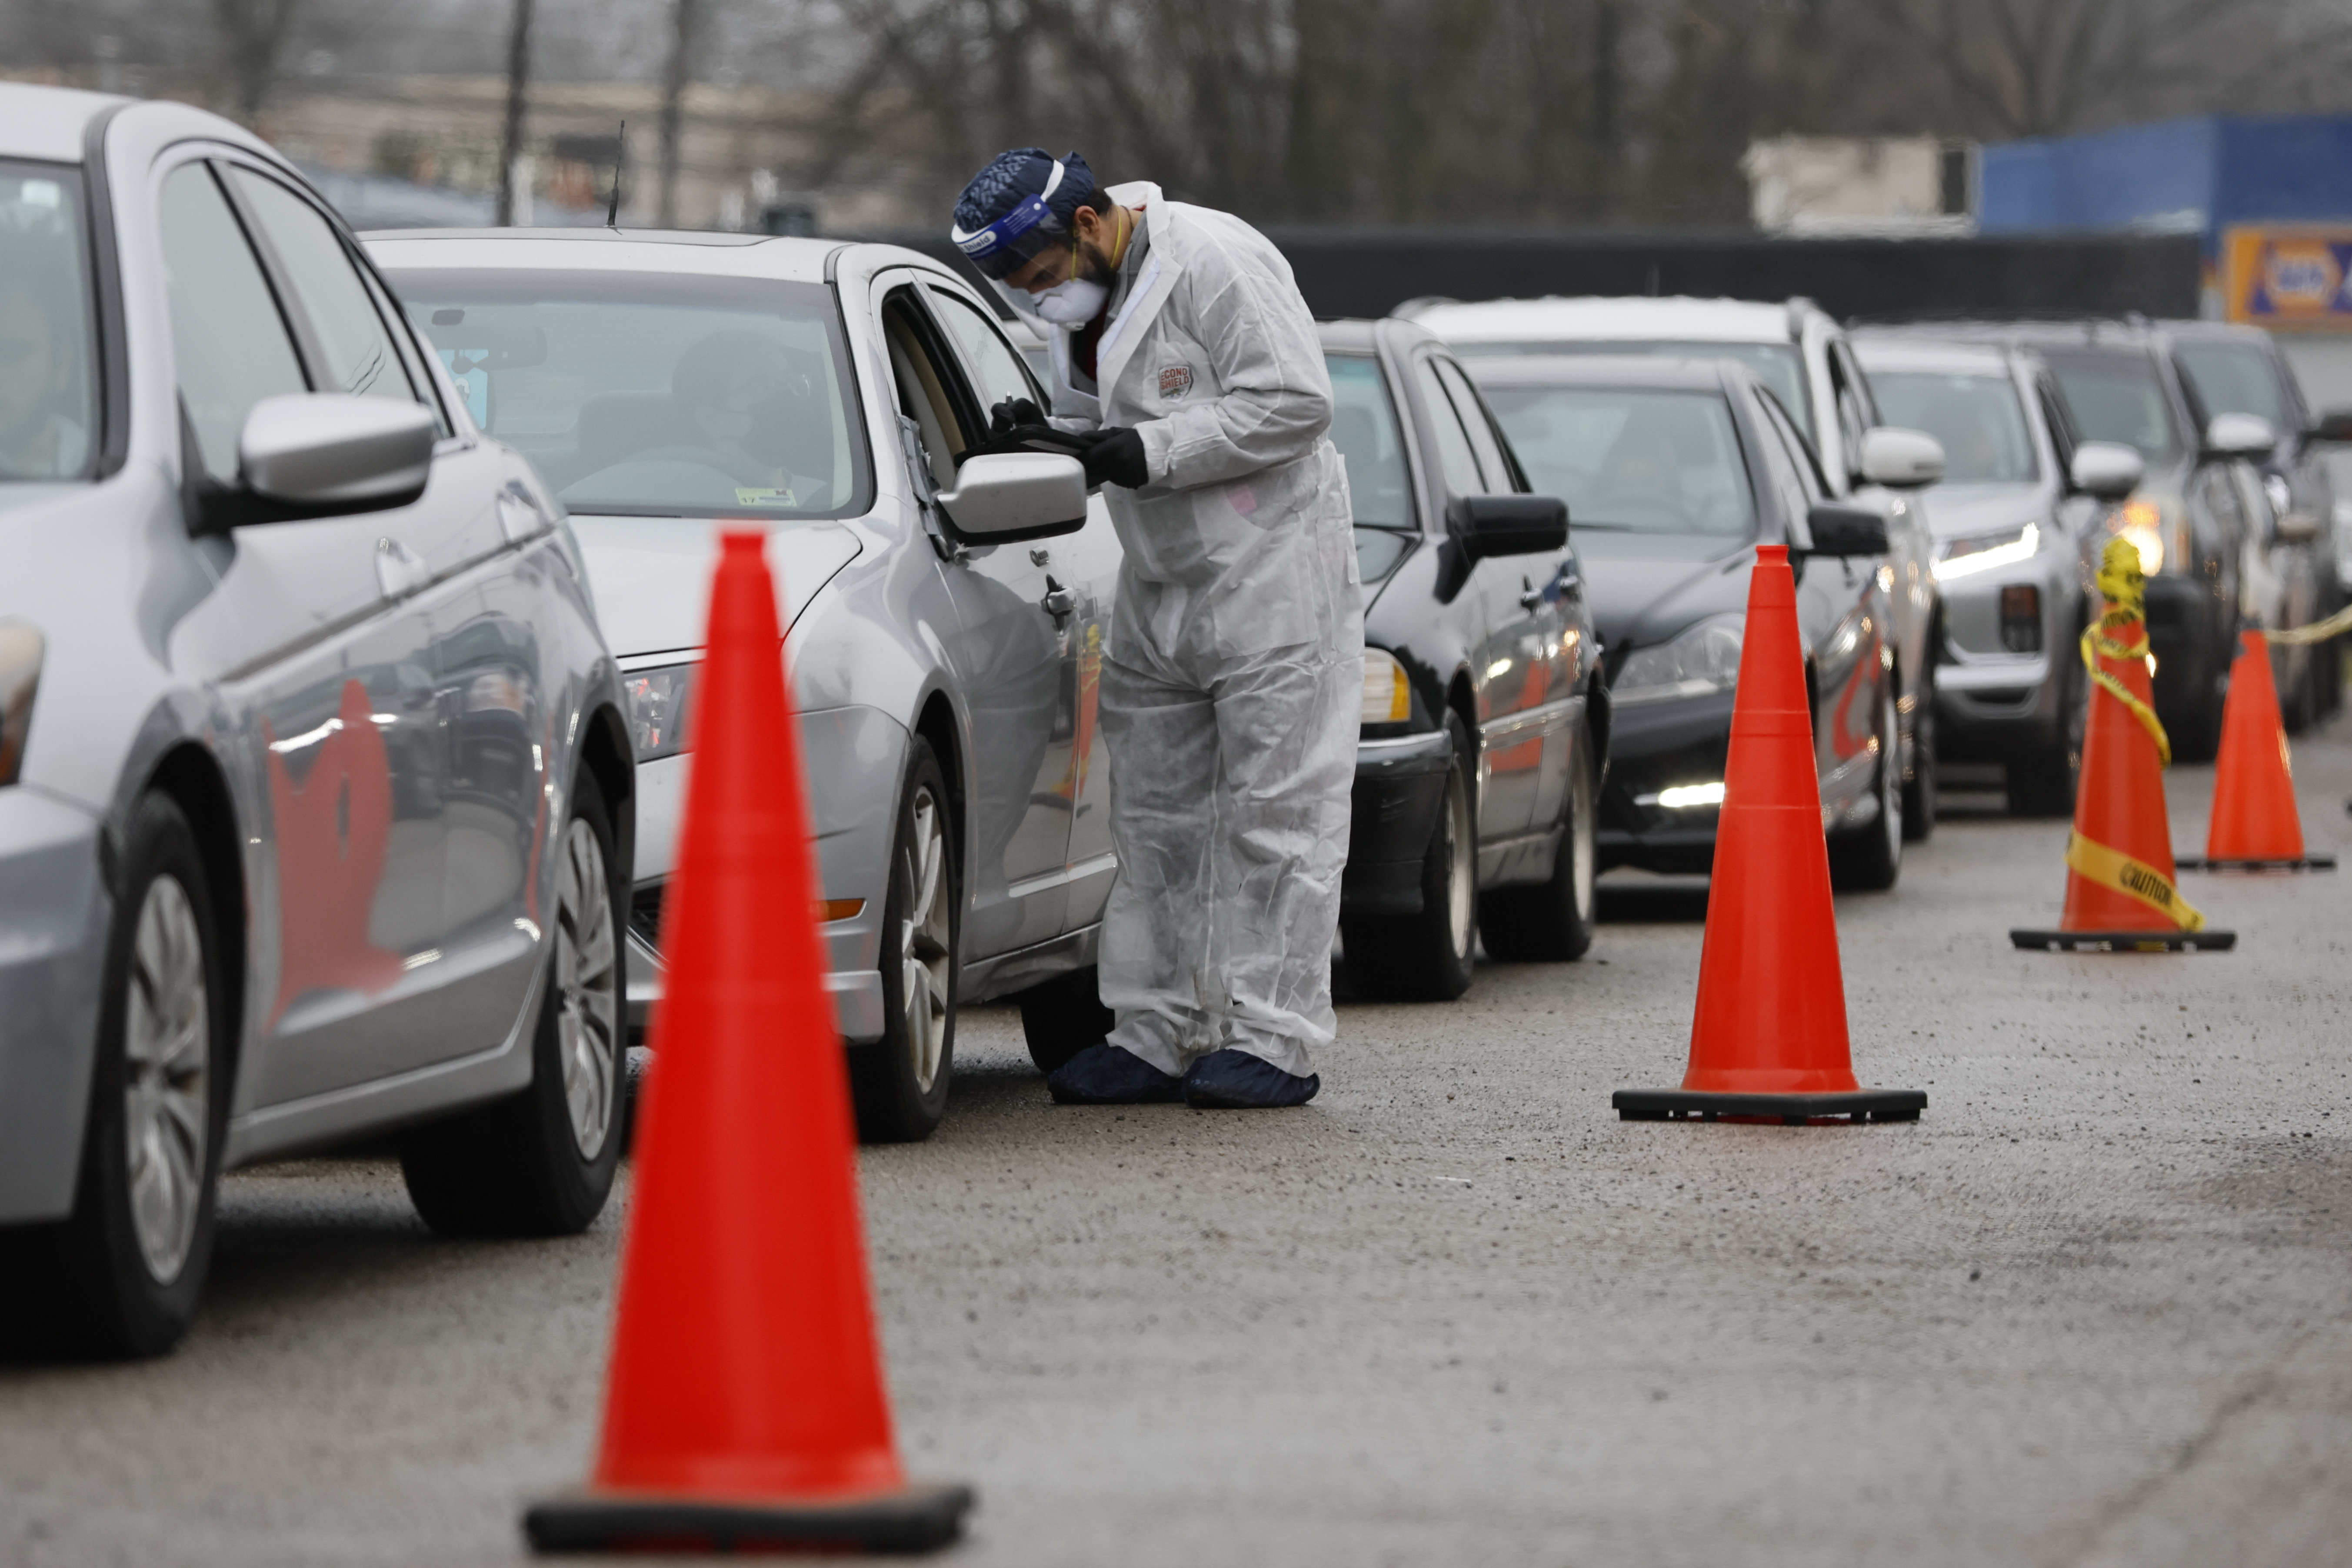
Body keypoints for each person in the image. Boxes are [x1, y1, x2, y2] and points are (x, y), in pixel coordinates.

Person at [949, 148, 1363, 1110]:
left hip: (1271, 575)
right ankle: (1154, 1029)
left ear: (1091, 223)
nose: (1038, 302)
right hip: (1160, 576)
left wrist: (1141, 448)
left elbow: (1296, 402)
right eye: (1019, 290)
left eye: (1043, 280)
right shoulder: (1091, 290)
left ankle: (1272, 1037)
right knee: (1154, 818)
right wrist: (1063, 431)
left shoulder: (1213, 258)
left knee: (1279, 819)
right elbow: (1132, 404)